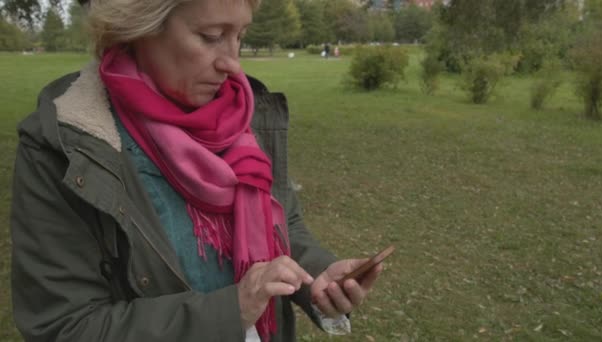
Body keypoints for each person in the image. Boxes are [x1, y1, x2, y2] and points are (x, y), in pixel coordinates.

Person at [10, 0, 384, 341]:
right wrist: (229, 312)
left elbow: (285, 226)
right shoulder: (64, 146)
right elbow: (66, 326)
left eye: (240, 36)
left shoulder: (245, 116)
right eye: (211, 37)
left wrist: (317, 278)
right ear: (140, 27)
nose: (233, 63)